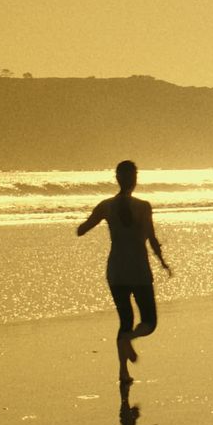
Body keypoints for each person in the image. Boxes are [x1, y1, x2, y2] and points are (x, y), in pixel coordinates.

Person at [78, 160, 172, 383]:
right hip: (138, 270)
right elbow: (152, 239)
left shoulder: (106, 206)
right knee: (149, 322)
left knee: (125, 319)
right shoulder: (143, 206)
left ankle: (123, 372)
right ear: (135, 179)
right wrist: (163, 262)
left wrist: (91, 221)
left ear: (117, 179)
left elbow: (81, 230)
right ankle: (129, 338)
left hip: (116, 271)